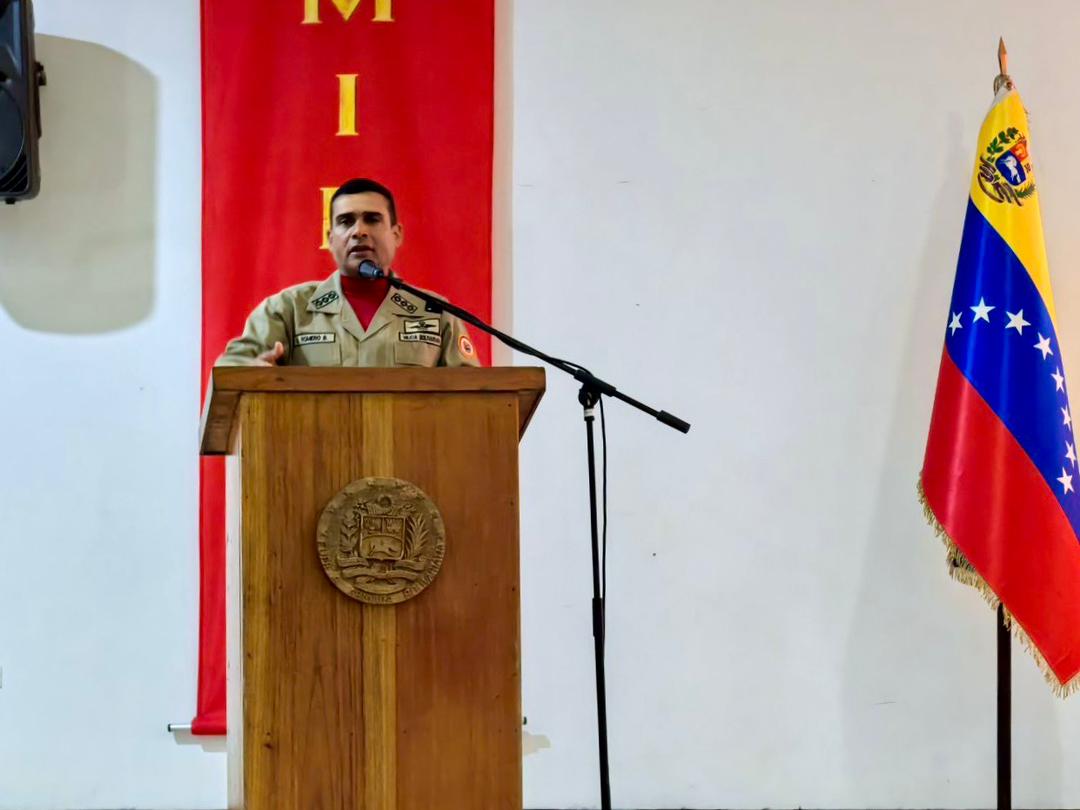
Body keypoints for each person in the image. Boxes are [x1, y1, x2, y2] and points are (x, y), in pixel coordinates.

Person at [215, 178, 480, 368]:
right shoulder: (288, 310)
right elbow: (230, 369)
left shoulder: (435, 312)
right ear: (331, 239)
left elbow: (472, 395)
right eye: (346, 221)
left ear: (396, 234)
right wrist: (252, 372)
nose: (359, 231)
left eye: (372, 219)